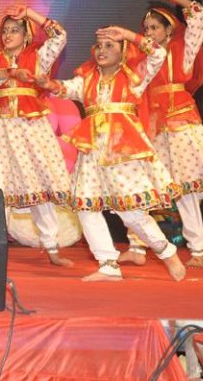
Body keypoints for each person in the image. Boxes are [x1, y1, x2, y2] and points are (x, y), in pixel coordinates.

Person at [36, 26, 185, 282]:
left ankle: (166, 251)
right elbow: (64, 88)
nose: (101, 50)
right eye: (99, 45)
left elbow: (158, 54)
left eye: (109, 45)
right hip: (92, 151)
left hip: (123, 151)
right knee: (85, 206)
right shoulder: (87, 78)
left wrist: (127, 35)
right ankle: (108, 265)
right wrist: (46, 83)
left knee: (131, 212)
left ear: (123, 51)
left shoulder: (135, 76)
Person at [118, 0, 203, 268]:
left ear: (169, 30)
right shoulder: (143, 57)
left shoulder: (183, 49)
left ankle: (197, 249)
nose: (149, 33)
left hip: (181, 125)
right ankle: (136, 247)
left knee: (185, 190)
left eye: (154, 28)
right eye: (146, 28)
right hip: (152, 127)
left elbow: (198, 15)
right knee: (142, 186)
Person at [0, 6, 74, 266]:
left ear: (26, 35)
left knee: (37, 185)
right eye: (5, 31)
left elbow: (59, 36)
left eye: (15, 30)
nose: (8, 35)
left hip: (30, 129)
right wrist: (12, 73)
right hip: (2, 130)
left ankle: (52, 247)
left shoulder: (38, 56)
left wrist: (30, 13)